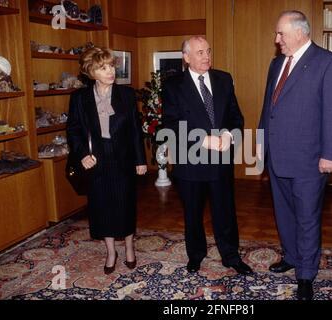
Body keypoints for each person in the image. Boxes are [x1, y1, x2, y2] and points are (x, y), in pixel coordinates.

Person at [257, 11, 332, 300]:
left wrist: (329, 155)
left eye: (280, 34)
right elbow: (268, 107)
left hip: (310, 158)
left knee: (307, 217)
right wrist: (260, 143)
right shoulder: (276, 64)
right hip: (277, 155)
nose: (276, 40)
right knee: (283, 213)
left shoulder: (329, 63)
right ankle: (292, 257)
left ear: (300, 32)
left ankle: (306, 274)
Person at [162, 36, 253, 275]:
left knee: (225, 211)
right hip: (190, 161)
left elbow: (236, 117)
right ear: (186, 57)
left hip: (221, 160)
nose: (206, 57)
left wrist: (229, 137)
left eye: (208, 51)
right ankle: (196, 255)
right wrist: (203, 139)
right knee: (192, 213)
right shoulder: (173, 85)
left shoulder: (224, 79)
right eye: (200, 52)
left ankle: (231, 256)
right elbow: (170, 125)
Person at [67, 47, 147, 275]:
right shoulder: (79, 98)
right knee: (102, 207)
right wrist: (82, 154)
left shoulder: (127, 95)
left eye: (111, 66)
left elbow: (134, 130)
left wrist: (140, 160)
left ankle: (130, 247)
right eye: (103, 68)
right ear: (91, 72)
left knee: (126, 205)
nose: (110, 71)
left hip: (123, 158)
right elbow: (73, 130)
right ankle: (111, 252)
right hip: (96, 160)